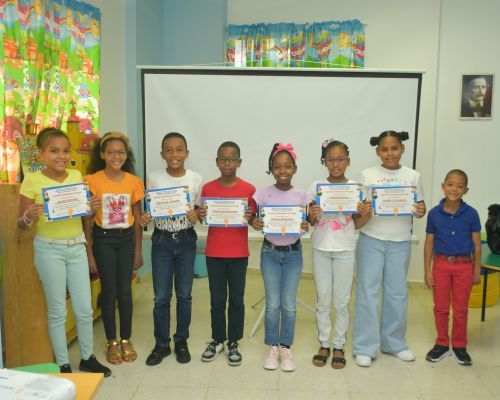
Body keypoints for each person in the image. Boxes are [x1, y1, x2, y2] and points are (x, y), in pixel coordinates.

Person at [17, 127, 111, 376]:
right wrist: (29, 217)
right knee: (57, 310)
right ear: (41, 153)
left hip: (76, 246)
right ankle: (62, 363)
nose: (61, 155)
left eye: (65, 150)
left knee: (84, 307)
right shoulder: (32, 180)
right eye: (54, 150)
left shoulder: (76, 175)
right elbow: (21, 223)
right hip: (49, 250)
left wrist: (90, 207)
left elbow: (83, 214)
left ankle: (87, 357)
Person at [352, 130, 426, 367]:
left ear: (402, 149)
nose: (389, 153)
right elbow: (360, 210)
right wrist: (364, 209)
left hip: (400, 241)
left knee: (397, 294)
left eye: (394, 148)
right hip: (371, 239)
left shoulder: (413, 176)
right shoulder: (367, 175)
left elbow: (420, 206)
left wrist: (421, 210)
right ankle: (365, 346)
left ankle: (395, 343)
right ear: (377, 152)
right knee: (367, 292)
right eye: (384, 149)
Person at [307, 139, 371, 369]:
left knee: (342, 301)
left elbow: (359, 223)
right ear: (324, 162)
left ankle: (340, 345)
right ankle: (324, 343)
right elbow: (309, 221)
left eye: (340, 159)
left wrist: (366, 213)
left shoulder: (356, 188)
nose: (336, 164)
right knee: (323, 299)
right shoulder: (316, 187)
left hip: (345, 248)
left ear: (348, 161)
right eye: (331, 159)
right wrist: (312, 214)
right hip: (321, 248)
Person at [140, 132, 202, 365]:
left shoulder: (196, 178)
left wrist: (196, 214)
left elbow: (197, 211)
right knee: (161, 297)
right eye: (169, 149)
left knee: (184, 295)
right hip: (162, 242)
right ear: (162, 154)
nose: (174, 154)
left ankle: (181, 341)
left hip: (186, 240)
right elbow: (149, 209)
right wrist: (146, 217)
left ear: (187, 153)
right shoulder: (153, 177)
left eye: (179, 149)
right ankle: (162, 344)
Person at [83, 132, 144, 365]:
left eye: (120, 152)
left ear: (126, 155)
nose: (116, 156)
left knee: (125, 292)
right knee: (108, 292)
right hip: (103, 240)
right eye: (110, 152)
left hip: (127, 239)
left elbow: (138, 219)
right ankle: (111, 341)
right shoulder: (90, 180)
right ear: (102, 154)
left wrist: (138, 252)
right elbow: (86, 221)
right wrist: (89, 253)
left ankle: (126, 339)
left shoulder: (134, 181)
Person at [251, 143, 310, 372]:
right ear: (271, 169)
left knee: (289, 305)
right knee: (273, 304)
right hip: (270, 253)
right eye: (277, 166)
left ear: (295, 168)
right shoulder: (262, 193)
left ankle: (286, 347)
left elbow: (306, 224)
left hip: (294, 254)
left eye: (287, 166)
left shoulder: (302, 195)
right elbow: (255, 219)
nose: (282, 171)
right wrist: (254, 222)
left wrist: (305, 225)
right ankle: (272, 346)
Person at [198, 141, 256, 366]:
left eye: (231, 159)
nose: (227, 163)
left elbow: (252, 220)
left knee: (237, 300)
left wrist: (251, 216)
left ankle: (234, 341)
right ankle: (217, 339)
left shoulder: (249, 189)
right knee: (217, 299)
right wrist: (202, 214)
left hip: (239, 253)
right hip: (214, 253)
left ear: (239, 162)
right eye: (222, 159)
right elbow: (204, 219)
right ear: (216, 162)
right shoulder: (208, 189)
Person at [424, 169, 481, 366]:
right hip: (440, 265)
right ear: (443, 186)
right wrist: (427, 270)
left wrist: (476, 270)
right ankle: (441, 344)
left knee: (460, 309)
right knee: (440, 308)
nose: (454, 189)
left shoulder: (472, 214)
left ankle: (459, 346)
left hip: (464, 267)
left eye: (459, 186)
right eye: (450, 184)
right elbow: (429, 243)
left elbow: (476, 245)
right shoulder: (433, 214)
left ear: (466, 190)